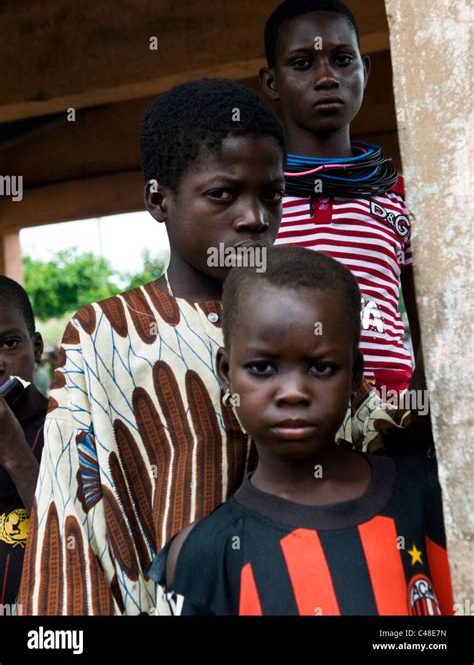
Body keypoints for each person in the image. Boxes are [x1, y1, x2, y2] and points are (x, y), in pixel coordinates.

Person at [18, 78, 286, 615]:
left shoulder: (299, 319)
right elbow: (69, 507)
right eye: (223, 194)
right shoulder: (106, 335)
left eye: (272, 195)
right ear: (158, 200)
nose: (255, 218)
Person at [149, 247, 453, 616]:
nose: (293, 392)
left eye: (321, 368)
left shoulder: (431, 494)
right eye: (262, 368)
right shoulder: (205, 555)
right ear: (227, 374)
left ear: (355, 373)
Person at [259, 0, 422, 405]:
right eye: (302, 63)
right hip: (288, 411)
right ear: (271, 82)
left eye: (342, 59)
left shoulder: (400, 194)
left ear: (364, 70)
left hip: (392, 415)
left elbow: (427, 317)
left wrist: (418, 407)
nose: (326, 77)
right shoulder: (255, 197)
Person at [0, 276, 47, 607]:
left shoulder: (74, 429)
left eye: (10, 343)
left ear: (38, 348)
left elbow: (81, 539)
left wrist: (15, 454)